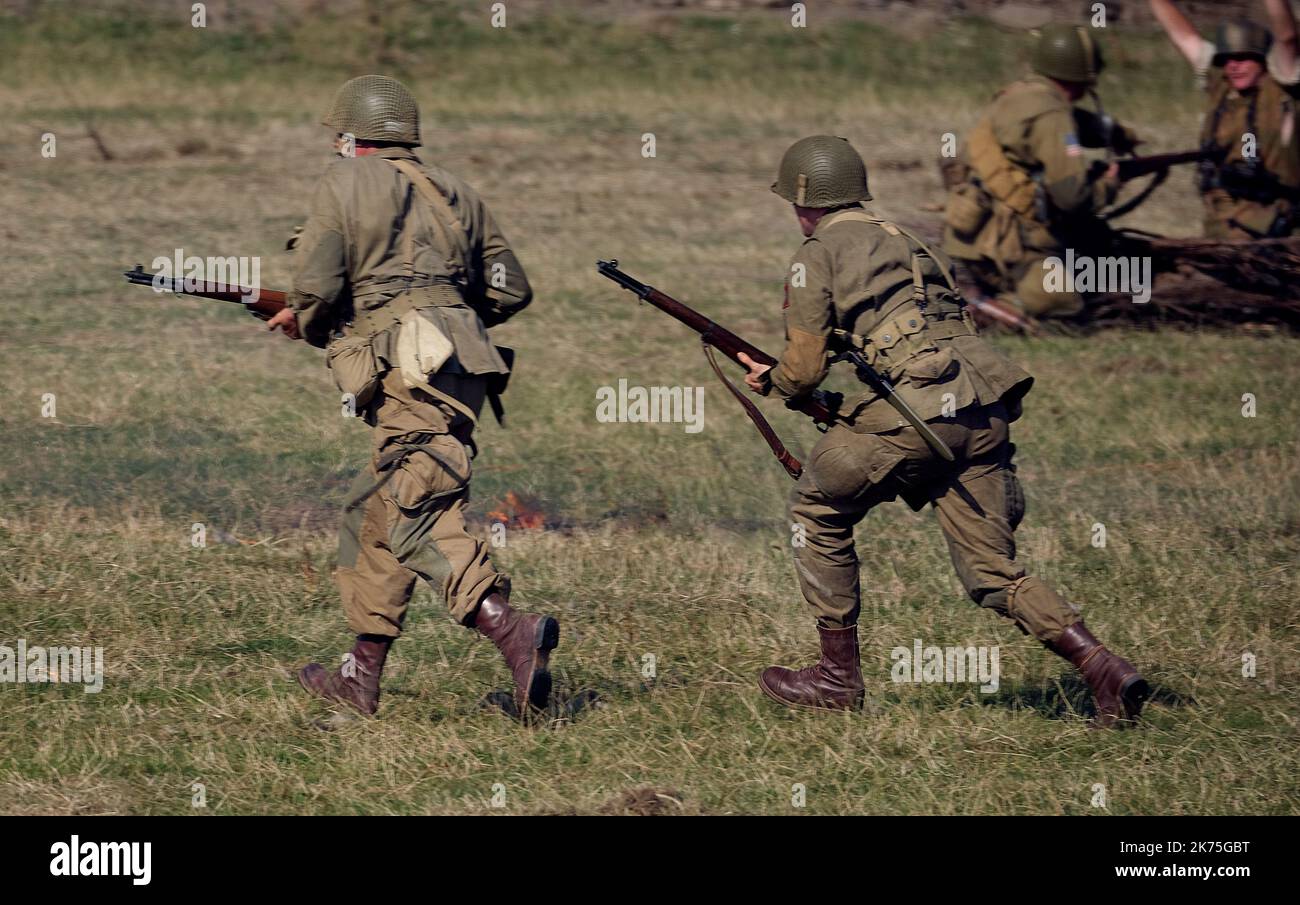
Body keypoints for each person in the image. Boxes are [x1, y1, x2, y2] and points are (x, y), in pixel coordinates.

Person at [738, 135, 1149, 728]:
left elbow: (801, 371)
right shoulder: (909, 240)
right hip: (981, 409)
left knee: (817, 510)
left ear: (802, 199)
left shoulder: (816, 252)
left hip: (921, 416)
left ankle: (836, 678)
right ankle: (1103, 667)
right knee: (991, 574)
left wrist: (773, 380)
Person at [267, 75, 558, 718]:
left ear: (350, 138)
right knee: (373, 518)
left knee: (414, 515)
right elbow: (510, 289)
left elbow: (315, 284)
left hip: (407, 371)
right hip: (464, 367)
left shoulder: (341, 184)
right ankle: (359, 678)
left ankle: (511, 629)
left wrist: (313, 324)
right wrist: (446, 308)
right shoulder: (458, 191)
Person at [943, 24, 1139, 318]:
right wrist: (1109, 185)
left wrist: (1117, 133)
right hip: (1009, 247)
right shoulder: (1052, 115)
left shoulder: (1018, 95)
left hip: (969, 239)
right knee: (1064, 301)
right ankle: (992, 306)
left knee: (1096, 240)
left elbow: (1080, 123)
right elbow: (1071, 197)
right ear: (1087, 74)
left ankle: (986, 288)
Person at [1150, 0, 1300, 238]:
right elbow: (1185, 38)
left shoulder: (1282, 88)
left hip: (1270, 230)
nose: (1233, 66)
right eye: (1226, 59)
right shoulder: (1220, 84)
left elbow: (1288, 38)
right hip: (1219, 225)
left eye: (1242, 57)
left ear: (1261, 59)